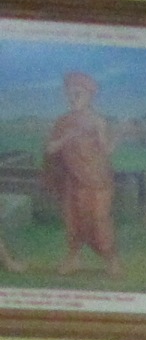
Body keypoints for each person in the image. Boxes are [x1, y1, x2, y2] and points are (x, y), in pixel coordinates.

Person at [43, 73, 118, 276]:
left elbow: (105, 150)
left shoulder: (97, 121)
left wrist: (117, 137)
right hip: (72, 179)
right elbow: (50, 149)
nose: (73, 98)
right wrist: (66, 138)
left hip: (97, 179)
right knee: (73, 219)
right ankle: (74, 259)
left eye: (78, 94)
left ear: (89, 96)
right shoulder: (62, 122)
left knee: (98, 219)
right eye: (70, 94)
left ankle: (111, 260)